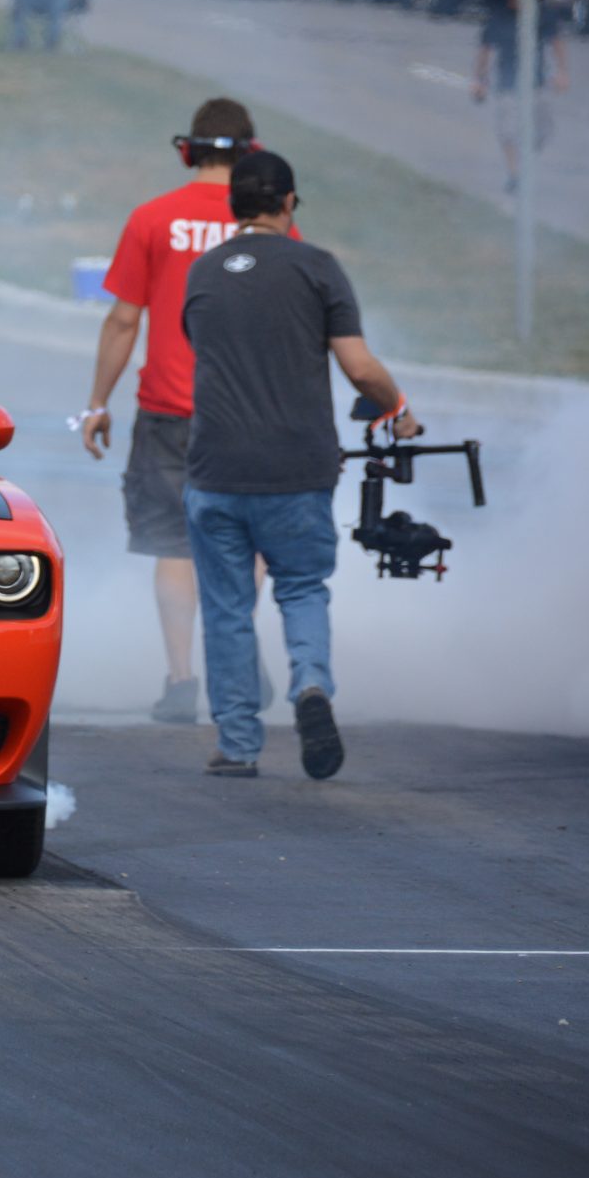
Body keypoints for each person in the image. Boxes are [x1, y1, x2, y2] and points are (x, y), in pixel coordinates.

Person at [182, 151, 421, 779]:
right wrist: (398, 407)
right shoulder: (318, 267)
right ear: (289, 203)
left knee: (227, 607)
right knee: (301, 588)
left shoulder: (203, 272)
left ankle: (237, 745)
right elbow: (359, 367)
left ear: (235, 206)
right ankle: (311, 686)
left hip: (215, 468)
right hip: (296, 468)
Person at [82, 98, 281, 724]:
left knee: (177, 546)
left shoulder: (152, 219)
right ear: (252, 152)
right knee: (245, 544)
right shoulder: (270, 224)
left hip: (169, 410)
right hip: (251, 413)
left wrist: (96, 403)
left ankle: (180, 682)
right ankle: (237, 656)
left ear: (185, 150)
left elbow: (122, 319)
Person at [472, 0, 569, 196]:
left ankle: (523, 163)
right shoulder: (499, 16)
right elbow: (485, 51)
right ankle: (515, 176)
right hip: (508, 84)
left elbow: (556, 43)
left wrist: (562, 72)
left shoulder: (543, 14)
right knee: (508, 131)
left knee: (542, 132)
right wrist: (479, 80)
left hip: (537, 83)